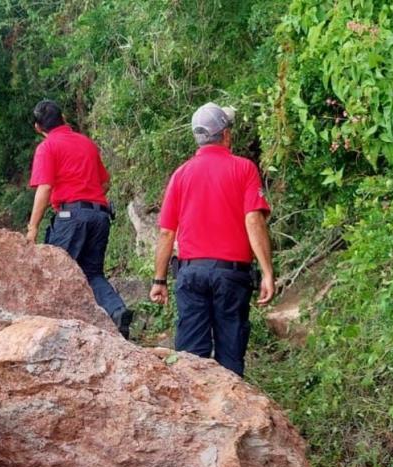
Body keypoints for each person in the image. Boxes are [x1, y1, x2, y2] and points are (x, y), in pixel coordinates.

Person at [149, 102, 275, 377]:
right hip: (231, 275)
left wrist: (159, 280)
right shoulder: (243, 169)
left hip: (191, 273)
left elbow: (166, 232)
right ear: (226, 134)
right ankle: (230, 413)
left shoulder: (181, 174)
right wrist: (267, 272)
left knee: (190, 358)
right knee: (230, 355)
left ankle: (193, 414)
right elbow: (253, 220)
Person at [26, 99, 132, 338]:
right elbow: (105, 182)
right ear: (64, 117)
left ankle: (57, 333)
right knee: (92, 273)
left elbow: (44, 188)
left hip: (70, 217)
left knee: (57, 272)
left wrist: (33, 227)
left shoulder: (48, 147)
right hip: (99, 215)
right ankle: (117, 311)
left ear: (37, 127)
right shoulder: (87, 143)